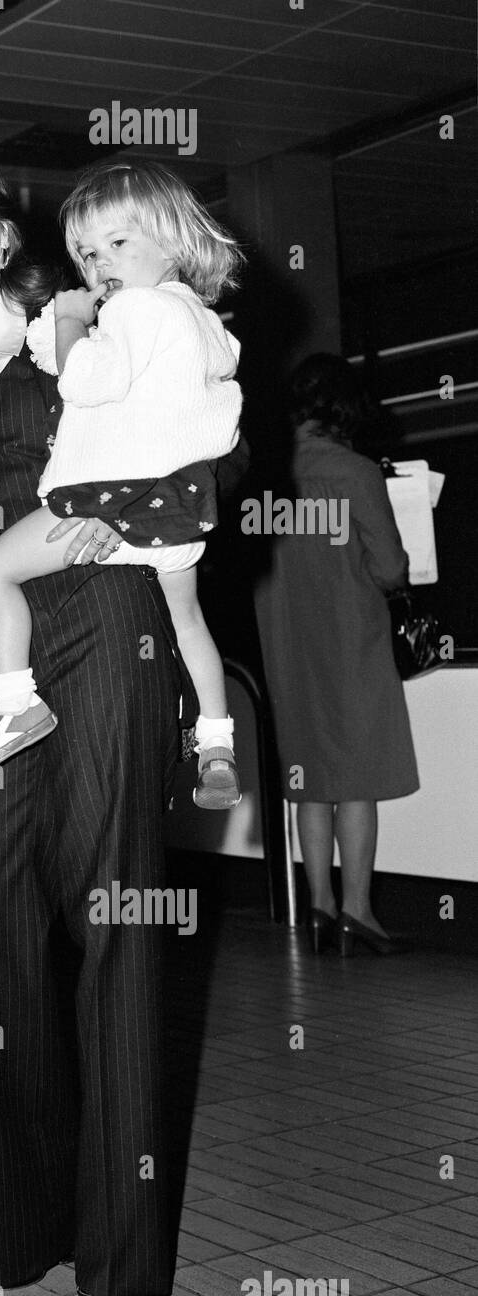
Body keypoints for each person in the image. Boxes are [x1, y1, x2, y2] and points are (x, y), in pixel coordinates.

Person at [0, 145, 246, 1296]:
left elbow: (195, 416)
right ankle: (32, 1225)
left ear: (1, 232)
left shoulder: (86, 317)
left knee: (115, 933)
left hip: (109, 626)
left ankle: (121, 1266)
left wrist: (139, 516)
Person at [0, 163, 245, 815]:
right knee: (188, 620)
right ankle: (216, 740)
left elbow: (82, 381)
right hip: (178, 515)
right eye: (87, 253)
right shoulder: (204, 324)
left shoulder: (140, 308)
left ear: (171, 240)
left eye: (118, 243)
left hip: (110, 501)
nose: (99, 263)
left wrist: (67, 324)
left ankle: (13, 704)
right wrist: (63, 328)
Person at [254, 353, 418, 956]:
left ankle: (316, 907)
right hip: (352, 641)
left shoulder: (267, 477)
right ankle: (358, 910)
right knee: (357, 779)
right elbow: (391, 567)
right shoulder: (355, 473)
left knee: (307, 777)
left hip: (287, 644)